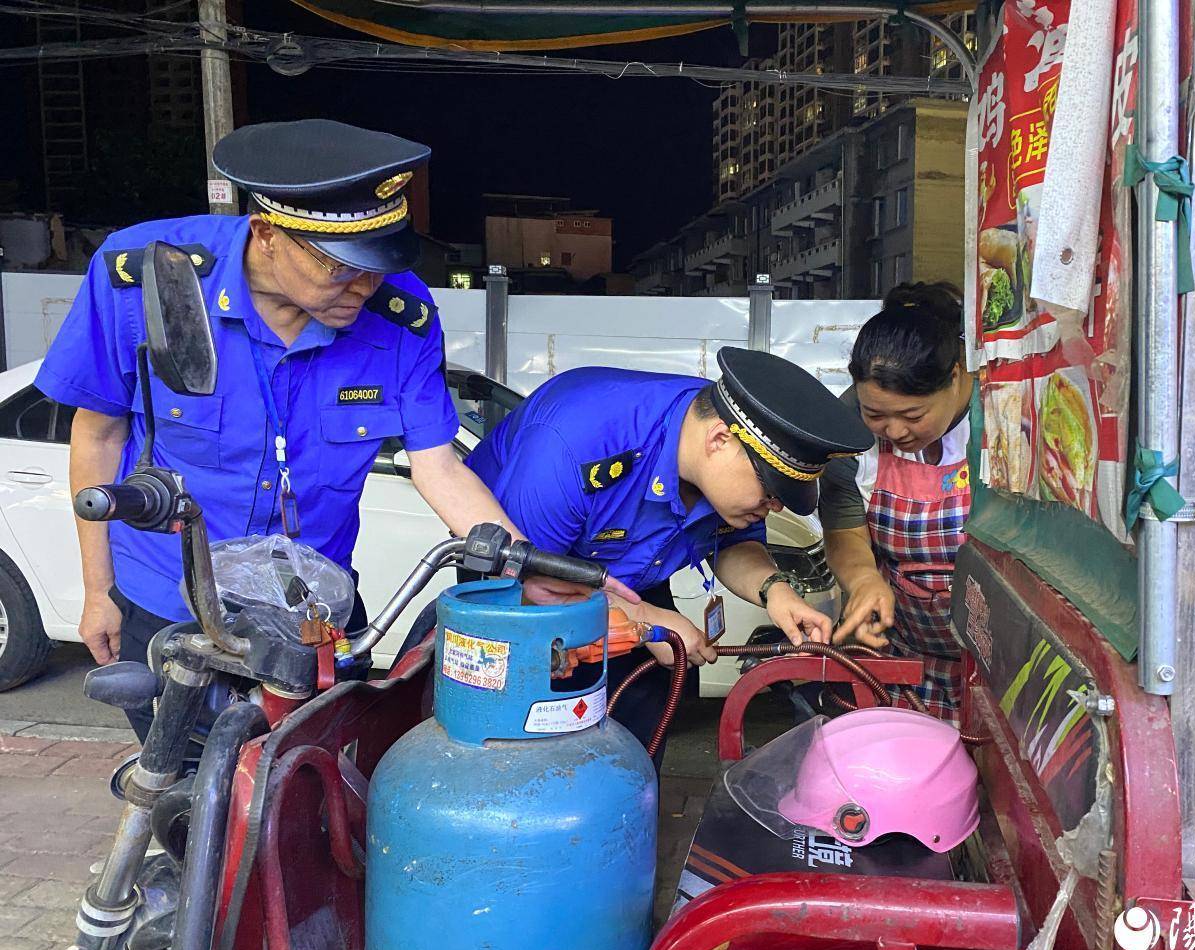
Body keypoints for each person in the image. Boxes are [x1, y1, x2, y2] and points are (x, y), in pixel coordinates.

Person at [37, 119, 600, 739]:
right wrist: (98, 590)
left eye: (377, 265)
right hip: (170, 605)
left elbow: (437, 465)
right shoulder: (142, 280)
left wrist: (527, 565)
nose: (363, 286)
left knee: (305, 804)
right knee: (185, 801)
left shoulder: (399, 319)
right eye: (340, 266)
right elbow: (98, 436)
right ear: (267, 234)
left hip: (316, 618)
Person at [464, 347, 873, 764]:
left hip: (634, 585)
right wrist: (647, 621)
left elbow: (733, 542)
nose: (775, 506)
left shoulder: (727, 445)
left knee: (639, 737)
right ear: (719, 440)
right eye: (770, 491)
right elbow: (530, 584)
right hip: (517, 595)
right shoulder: (575, 444)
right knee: (521, 750)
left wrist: (776, 591)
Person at [819, 282, 974, 721]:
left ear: (957, 376)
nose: (895, 432)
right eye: (876, 415)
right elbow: (844, 527)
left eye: (912, 416)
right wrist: (864, 580)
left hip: (996, 663)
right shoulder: (847, 426)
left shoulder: (1000, 416)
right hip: (903, 655)